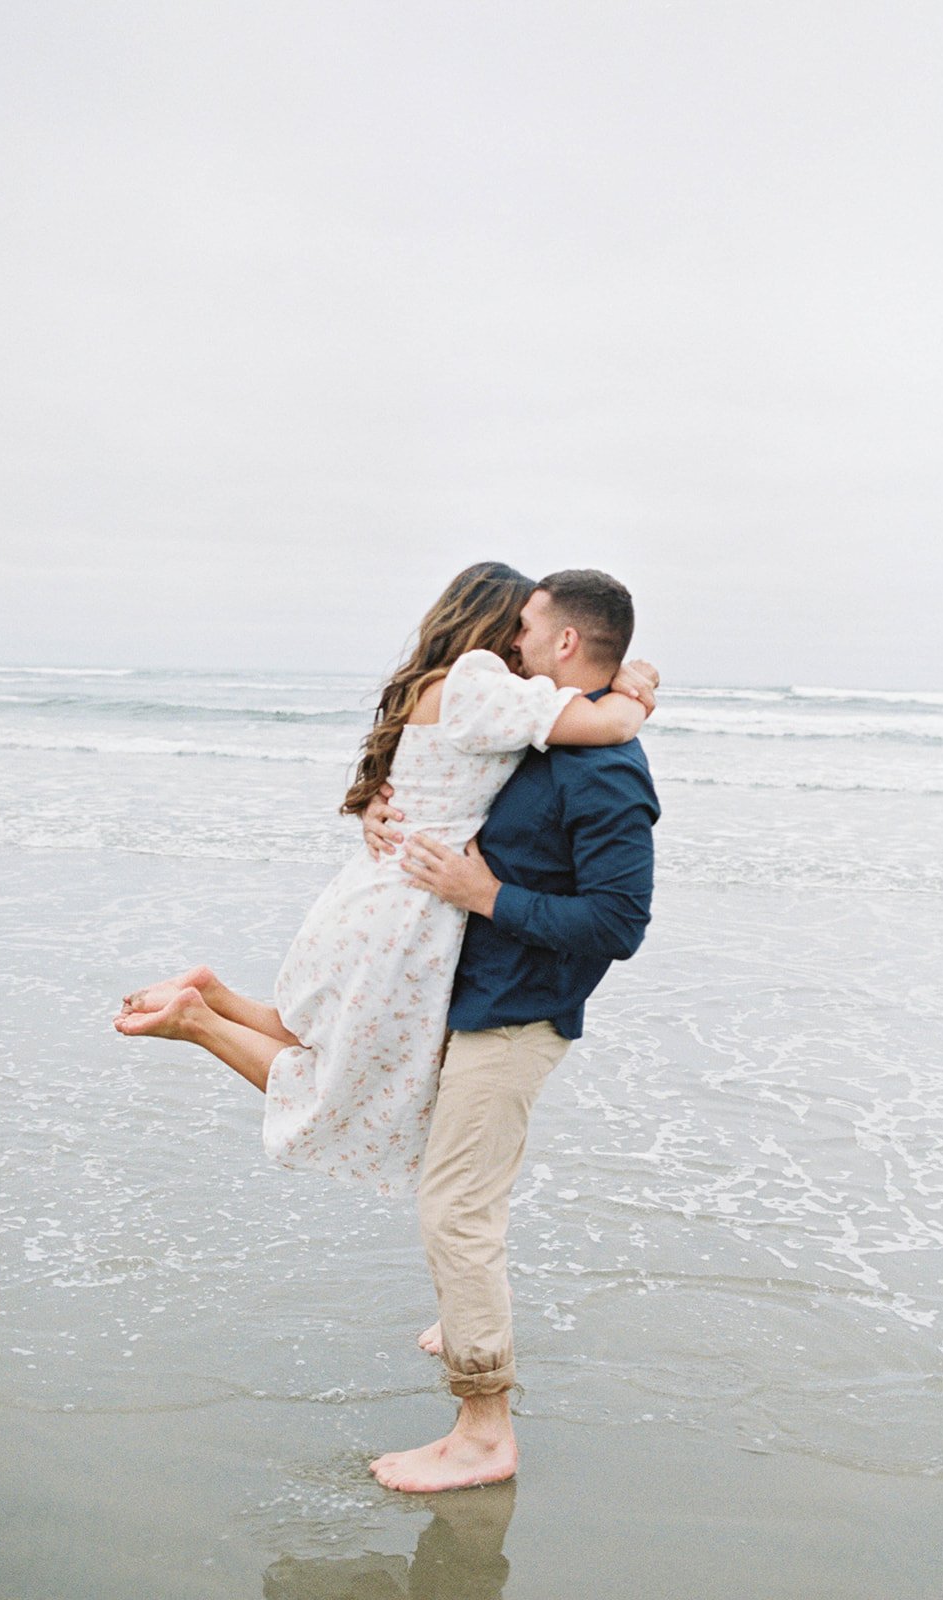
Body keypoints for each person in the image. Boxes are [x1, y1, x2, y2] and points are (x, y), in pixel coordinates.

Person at [113, 562, 657, 1201]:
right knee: (342, 1089)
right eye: (516, 627)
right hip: (407, 917)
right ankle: (197, 1020)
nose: (517, 644)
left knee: (323, 1038)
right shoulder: (477, 685)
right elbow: (612, 725)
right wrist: (634, 686)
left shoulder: (440, 686)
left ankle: (214, 997)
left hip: (371, 894)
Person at [361, 569, 660, 1493]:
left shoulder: (605, 768)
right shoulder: (541, 728)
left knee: (454, 1207)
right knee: (462, 1189)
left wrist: (484, 894)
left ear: (564, 642)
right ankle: (464, 1316)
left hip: (518, 1013)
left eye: (525, 626)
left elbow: (620, 924)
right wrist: (382, 814)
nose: (507, 640)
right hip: (470, 992)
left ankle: (483, 1433)